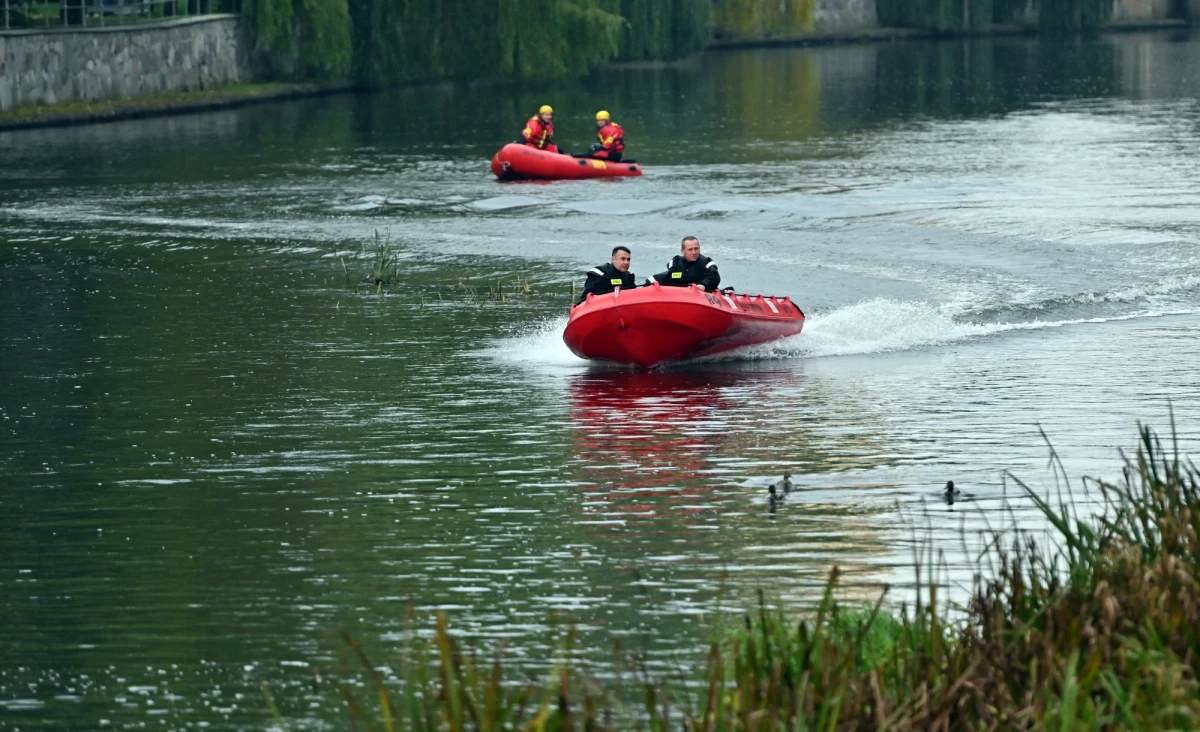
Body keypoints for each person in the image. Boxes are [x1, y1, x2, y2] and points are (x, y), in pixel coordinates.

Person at [651, 236, 720, 292]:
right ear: (683, 251)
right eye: (690, 249)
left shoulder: (706, 263)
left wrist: (704, 285)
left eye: (696, 249)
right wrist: (649, 282)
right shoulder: (676, 264)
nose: (694, 252)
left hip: (701, 296)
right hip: (679, 296)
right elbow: (666, 276)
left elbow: (714, 277)